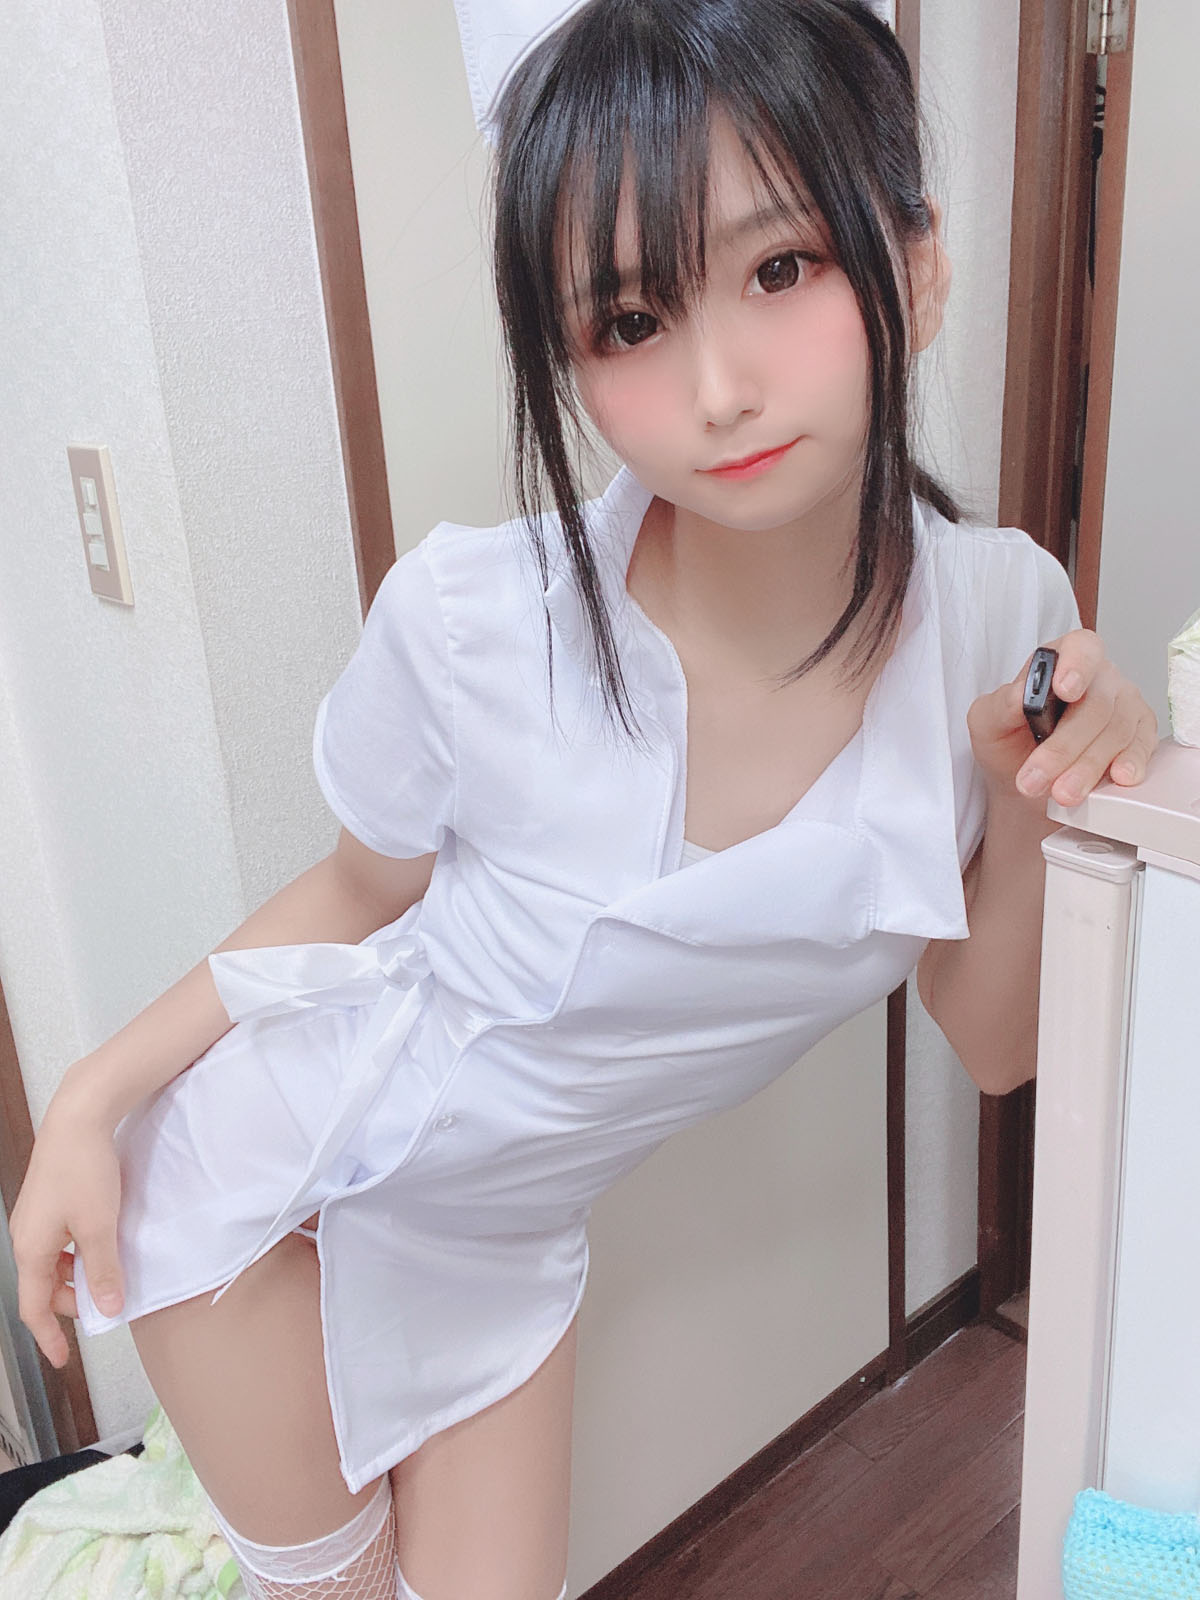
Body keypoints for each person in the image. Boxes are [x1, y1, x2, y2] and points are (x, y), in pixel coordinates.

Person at [10, 2, 1158, 1598]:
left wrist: (1046, 782)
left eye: (782, 267)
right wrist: (87, 1101)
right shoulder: (477, 623)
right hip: (270, 1201)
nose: (719, 386)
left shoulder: (1001, 614)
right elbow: (355, 901)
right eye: (630, 319)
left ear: (920, 262)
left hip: (497, 1240)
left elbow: (993, 1042)